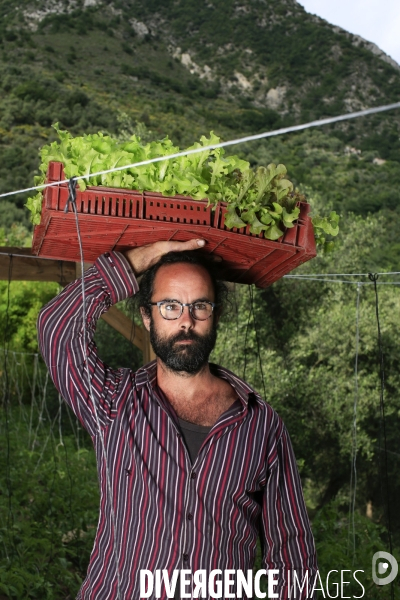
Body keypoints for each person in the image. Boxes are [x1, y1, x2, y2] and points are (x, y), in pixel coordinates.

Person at [38, 238, 317, 600]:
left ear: (215, 314)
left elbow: (292, 552)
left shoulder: (261, 425)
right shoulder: (113, 402)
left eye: (199, 306)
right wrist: (135, 261)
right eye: (170, 306)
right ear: (145, 315)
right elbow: (57, 326)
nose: (186, 321)